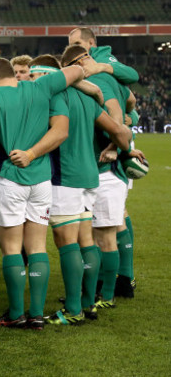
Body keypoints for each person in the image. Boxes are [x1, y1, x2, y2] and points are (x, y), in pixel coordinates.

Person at [0, 57, 83, 329]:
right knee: (37, 248)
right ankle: (36, 314)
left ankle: (15, 313)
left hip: (8, 179)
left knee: (11, 249)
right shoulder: (41, 87)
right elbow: (76, 70)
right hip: (41, 180)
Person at [26, 55, 130, 325]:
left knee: (67, 242)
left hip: (65, 177)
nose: (32, 81)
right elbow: (119, 130)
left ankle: (73, 310)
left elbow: (57, 132)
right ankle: (88, 304)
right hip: (90, 176)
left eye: (34, 76)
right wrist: (119, 148)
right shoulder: (87, 99)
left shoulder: (55, 97)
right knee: (86, 241)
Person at [61, 45, 144, 310]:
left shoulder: (97, 79)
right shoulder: (111, 78)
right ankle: (100, 290)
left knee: (105, 236)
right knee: (102, 232)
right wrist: (128, 130)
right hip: (105, 172)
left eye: (73, 66)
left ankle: (106, 295)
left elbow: (115, 114)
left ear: (82, 60)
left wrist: (114, 145)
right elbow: (130, 101)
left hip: (105, 172)